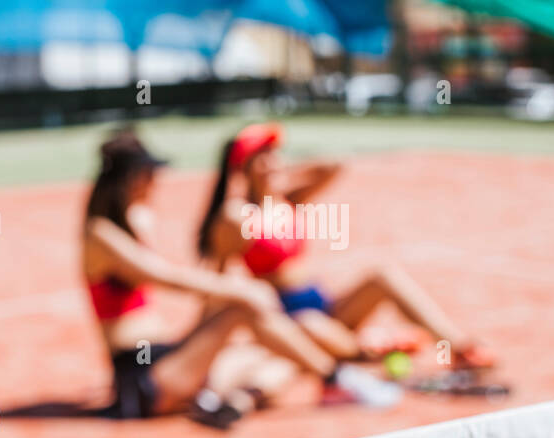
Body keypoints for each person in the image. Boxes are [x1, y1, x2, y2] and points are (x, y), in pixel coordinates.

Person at [82, 130, 399, 428]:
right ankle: (337, 379)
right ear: (129, 180)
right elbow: (167, 278)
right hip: (142, 378)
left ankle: (229, 397)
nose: (155, 183)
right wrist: (238, 288)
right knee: (244, 309)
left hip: (163, 356)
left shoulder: (133, 222)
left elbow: (331, 165)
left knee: (267, 348)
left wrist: (273, 173)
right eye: (149, 175)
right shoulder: (100, 234)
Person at [196, 122, 494, 370]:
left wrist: (278, 173)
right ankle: (370, 350)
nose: (273, 160)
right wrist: (201, 339)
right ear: (244, 167)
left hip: (323, 304)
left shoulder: (288, 199)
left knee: (382, 275)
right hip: (289, 320)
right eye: (263, 156)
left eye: (275, 153)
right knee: (312, 326)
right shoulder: (236, 216)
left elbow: (334, 165)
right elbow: (218, 279)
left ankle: (458, 346)